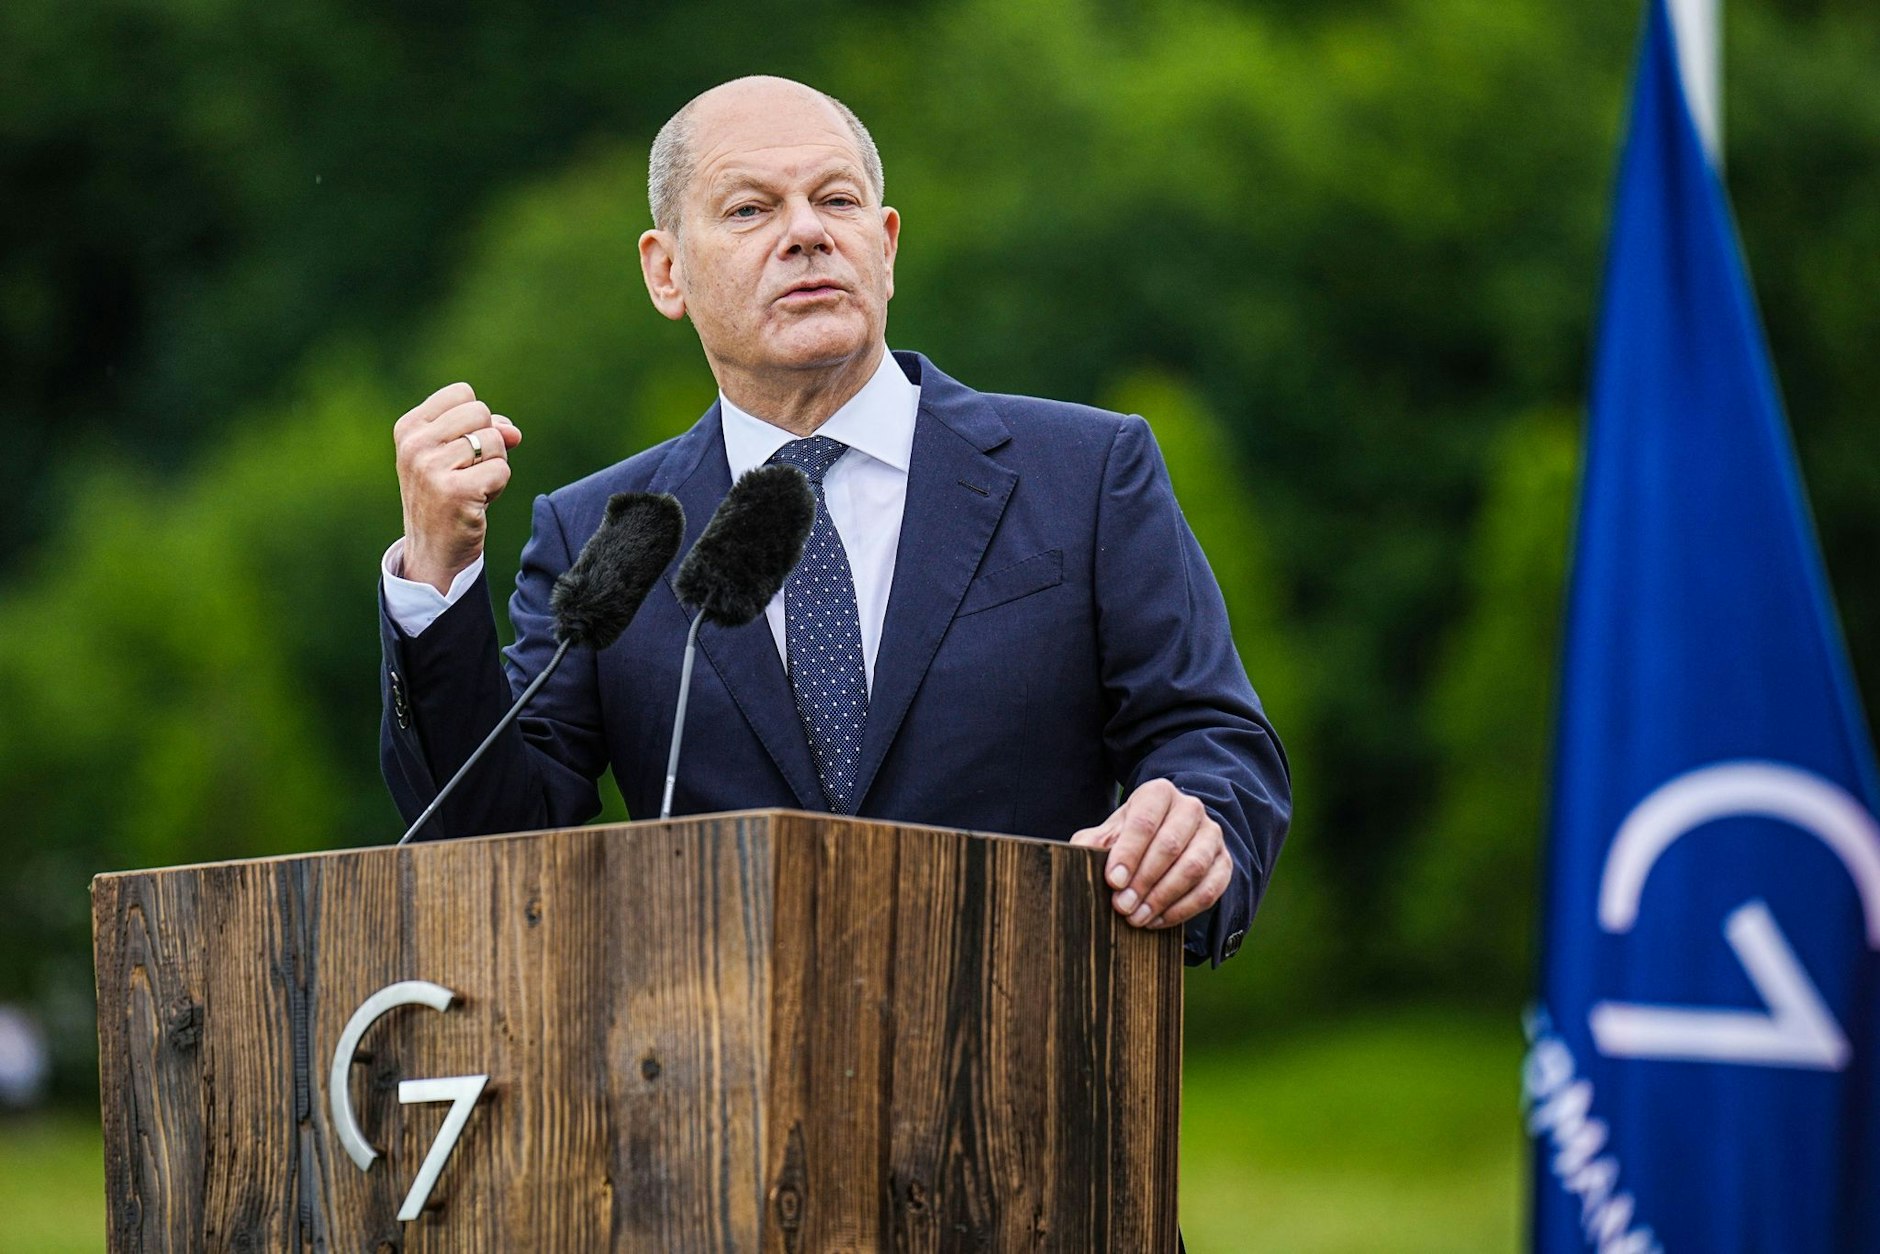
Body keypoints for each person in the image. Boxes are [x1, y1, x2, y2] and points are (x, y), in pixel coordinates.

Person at [379, 76, 1289, 968]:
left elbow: (1214, 742)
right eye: (750, 210)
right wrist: (436, 573)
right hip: (714, 1055)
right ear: (666, 272)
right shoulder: (605, 537)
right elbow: (495, 848)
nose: (807, 232)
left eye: (837, 200)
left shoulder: (1085, 473)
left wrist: (1195, 824)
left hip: (1028, 1027)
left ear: (884, 246)